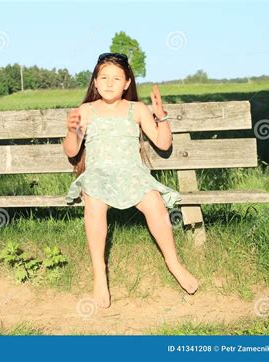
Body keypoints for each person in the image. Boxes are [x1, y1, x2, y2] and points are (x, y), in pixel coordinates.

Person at [63, 53, 199, 308]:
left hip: (132, 174)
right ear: (95, 81)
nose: (109, 83)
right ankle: (99, 273)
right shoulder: (86, 111)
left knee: (154, 202)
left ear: (127, 83)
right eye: (103, 77)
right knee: (94, 205)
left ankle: (173, 262)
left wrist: (161, 116)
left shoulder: (137, 109)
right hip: (99, 175)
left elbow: (162, 142)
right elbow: (72, 151)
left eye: (116, 78)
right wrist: (72, 131)